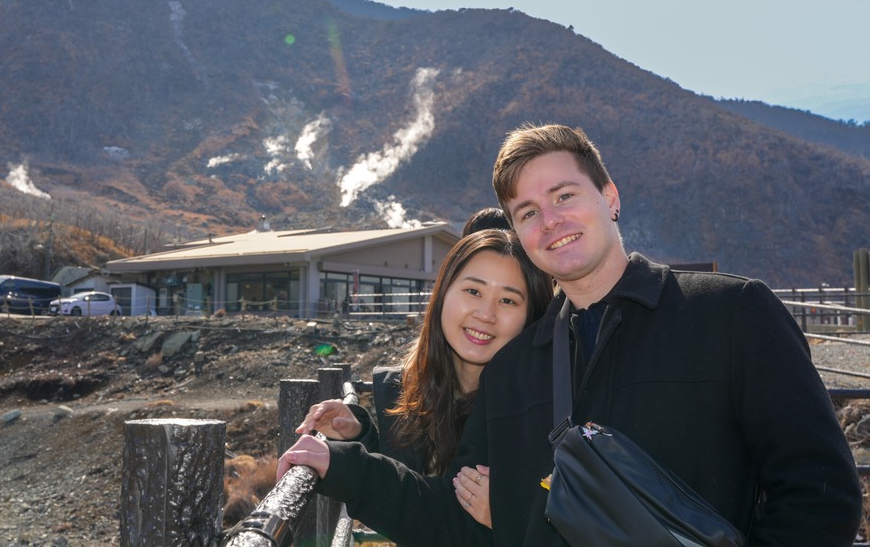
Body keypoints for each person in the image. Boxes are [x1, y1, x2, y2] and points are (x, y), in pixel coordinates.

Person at [278, 122, 863, 546]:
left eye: (564, 196)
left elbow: (821, 491)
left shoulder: (732, 314)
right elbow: (455, 519)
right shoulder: (515, 371)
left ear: (609, 199)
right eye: (528, 212)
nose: (550, 220)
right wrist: (341, 465)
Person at [296, 228, 553, 529]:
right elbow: (414, 485)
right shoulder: (411, 390)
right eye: (473, 291)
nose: (485, 314)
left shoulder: (537, 414)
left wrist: (345, 466)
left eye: (508, 300)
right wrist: (360, 435)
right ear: (443, 293)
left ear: (531, 316)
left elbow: (444, 519)